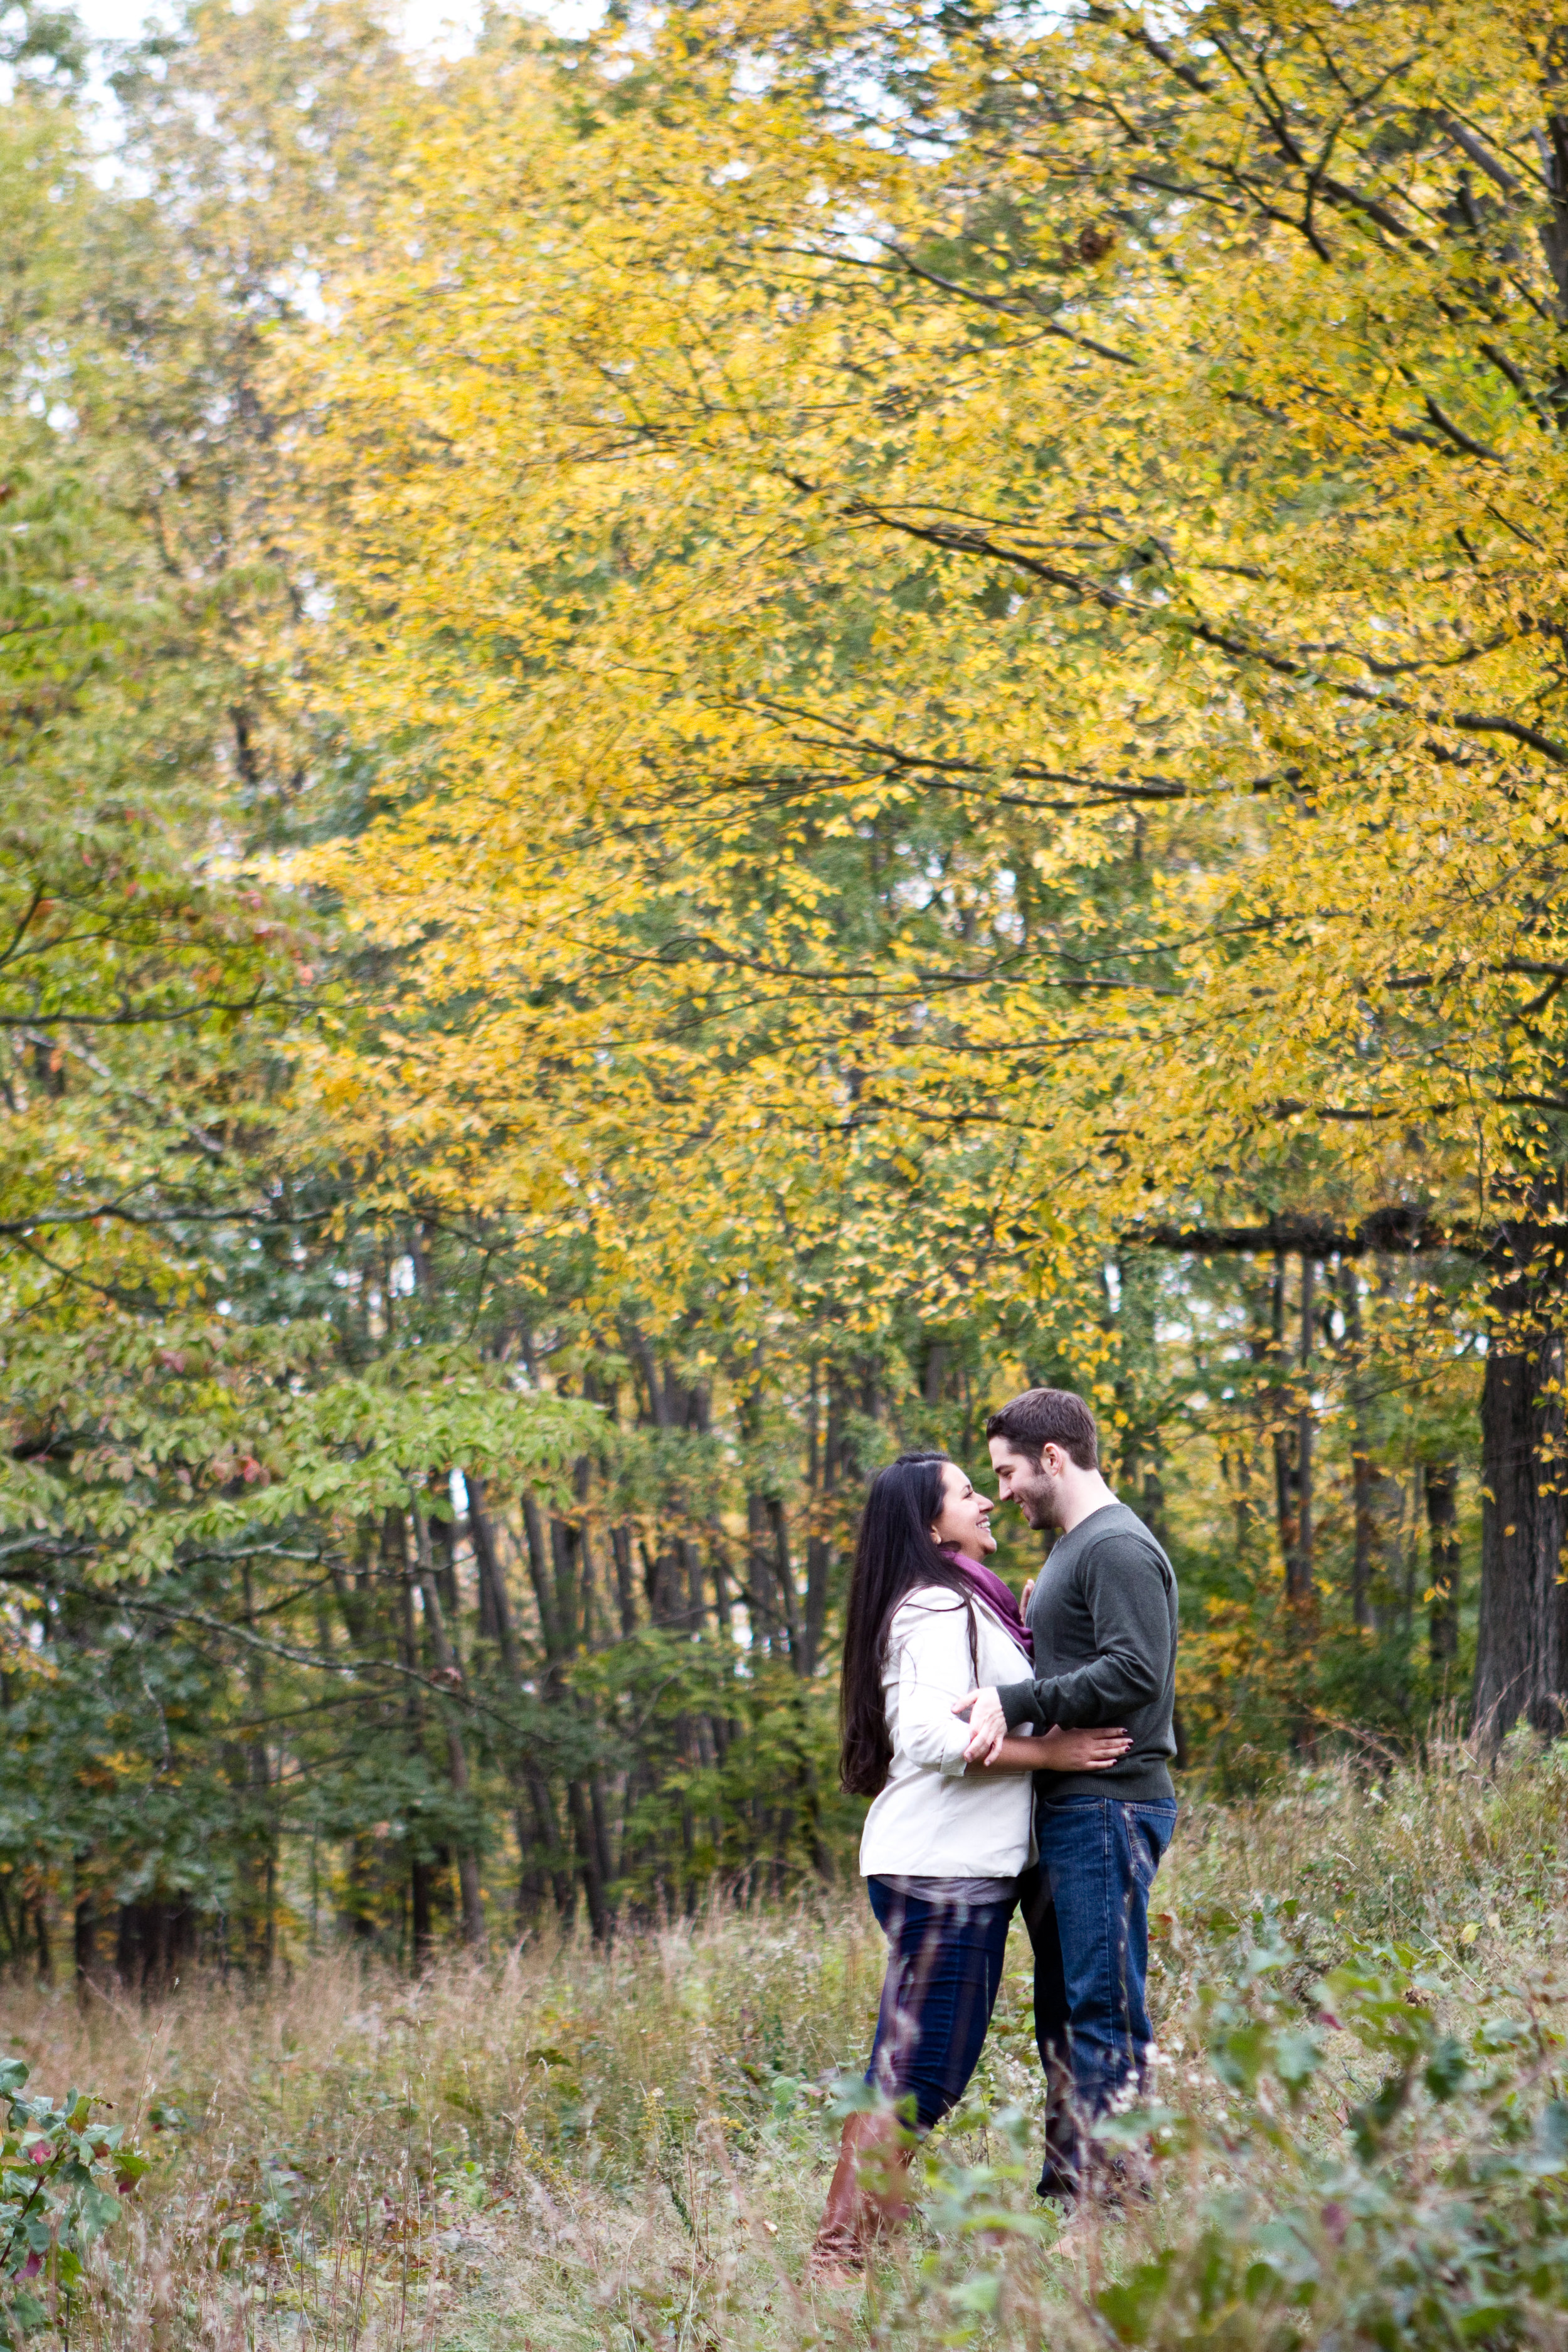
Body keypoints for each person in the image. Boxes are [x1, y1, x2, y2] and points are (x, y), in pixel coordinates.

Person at [808, 1449, 1131, 2282]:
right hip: (941, 1871)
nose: (988, 1499)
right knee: (925, 2068)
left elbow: (985, 1698)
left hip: (943, 1866)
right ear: (929, 1524)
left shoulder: (966, 1603)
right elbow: (931, 1737)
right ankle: (838, 2258)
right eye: (967, 1492)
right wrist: (1054, 1755)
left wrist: (1027, 1635)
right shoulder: (934, 1607)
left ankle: (844, 2253)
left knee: (909, 2059)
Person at [955, 1388, 1179, 2201]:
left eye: (1009, 1471)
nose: (1003, 1490)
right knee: (1066, 2001)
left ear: (1053, 1456)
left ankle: (1119, 2198)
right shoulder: (1075, 1549)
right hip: (1073, 1805)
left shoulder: (1115, 1546)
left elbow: (1134, 1670)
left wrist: (1011, 1704)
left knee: (1103, 2001)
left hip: (1111, 1801)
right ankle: (1074, 2179)